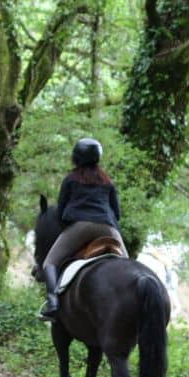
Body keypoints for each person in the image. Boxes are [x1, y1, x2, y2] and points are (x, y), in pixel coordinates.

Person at [38, 137, 125, 321]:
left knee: (49, 263)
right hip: (108, 228)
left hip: (81, 227)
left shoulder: (71, 180)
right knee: (128, 265)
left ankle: (53, 304)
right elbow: (116, 213)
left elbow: (61, 212)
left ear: (76, 157)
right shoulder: (107, 182)